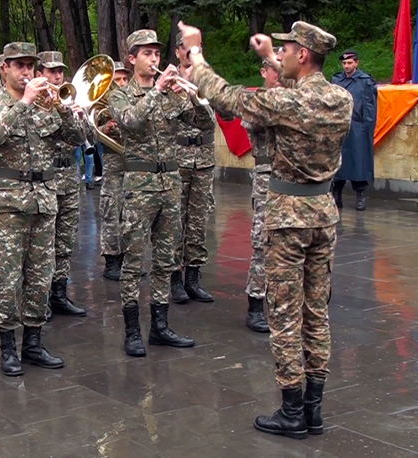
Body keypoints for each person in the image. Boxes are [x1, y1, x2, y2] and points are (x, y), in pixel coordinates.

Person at [179, 20, 352, 439]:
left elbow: (225, 95)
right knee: (317, 314)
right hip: (323, 213)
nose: (282, 57)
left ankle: (291, 411)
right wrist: (268, 55)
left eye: (288, 51)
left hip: (288, 217)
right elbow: (299, 88)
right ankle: (314, 409)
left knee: (286, 315)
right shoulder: (340, 98)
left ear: (303, 56)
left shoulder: (282, 103)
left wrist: (196, 53)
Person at [0, 42, 85, 376]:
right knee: (8, 276)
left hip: (45, 199)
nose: (26, 72)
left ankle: (34, 343)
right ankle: (8, 347)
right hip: (11, 203)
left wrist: (64, 108)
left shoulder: (46, 103)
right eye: (19, 65)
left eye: (30, 66)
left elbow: (78, 138)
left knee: (41, 275)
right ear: (5, 68)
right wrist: (23, 104)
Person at [108, 30, 196, 357]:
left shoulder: (171, 92)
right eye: (146, 54)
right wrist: (157, 92)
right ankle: (132, 330)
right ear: (132, 58)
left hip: (169, 184)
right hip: (139, 187)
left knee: (165, 260)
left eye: (157, 54)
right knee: (133, 261)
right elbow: (130, 121)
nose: (154, 60)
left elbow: (202, 123)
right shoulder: (119, 94)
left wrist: (191, 90)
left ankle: (160, 326)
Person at [36, 50, 87, 318]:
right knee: (44, 244)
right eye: (51, 72)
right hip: (45, 180)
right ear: (40, 74)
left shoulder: (71, 101)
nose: (57, 76)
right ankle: (39, 297)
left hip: (69, 178)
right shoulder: (33, 103)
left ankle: (59, 293)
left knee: (65, 243)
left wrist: (75, 115)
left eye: (60, 72)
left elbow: (83, 138)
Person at [170, 32, 217, 305]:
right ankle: (175, 278)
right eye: (186, 49)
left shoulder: (208, 79)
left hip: (204, 159)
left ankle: (193, 278)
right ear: (177, 51)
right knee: (175, 221)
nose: (190, 53)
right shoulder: (166, 80)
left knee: (198, 221)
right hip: (179, 158)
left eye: (196, 49)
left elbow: (214, 119)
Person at [243, 57, 283, 334]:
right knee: (263, 241)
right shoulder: (255, 101)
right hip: (267, 177)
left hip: (292, 177)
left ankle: (283, 302)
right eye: (274, 69)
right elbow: (255, 121)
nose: (279, 74)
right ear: (263, 72)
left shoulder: (297, 97)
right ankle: (256, 303)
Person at [332, 50, 377, 211]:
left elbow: (370, 108)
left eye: (350, 63)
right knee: (339, 162)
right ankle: (337, 193)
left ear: (357, 63)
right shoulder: (337, 80)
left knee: (359, 161)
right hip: (340, 127)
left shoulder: (365, 81)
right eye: (344, 63)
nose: (347, 66)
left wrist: (368, 128)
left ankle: (360, 195)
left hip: (358, 126)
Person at [99, 62, 130, 281]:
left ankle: (128, 258)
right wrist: (105, 129)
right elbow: (89, 136)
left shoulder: (133, 101)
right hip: (113, 166)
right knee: (112, 212)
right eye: (116, 80)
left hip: (134, 167)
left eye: (123, 79)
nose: (121, 84)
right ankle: (111, 261)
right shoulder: (101, 105)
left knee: (131, 215)